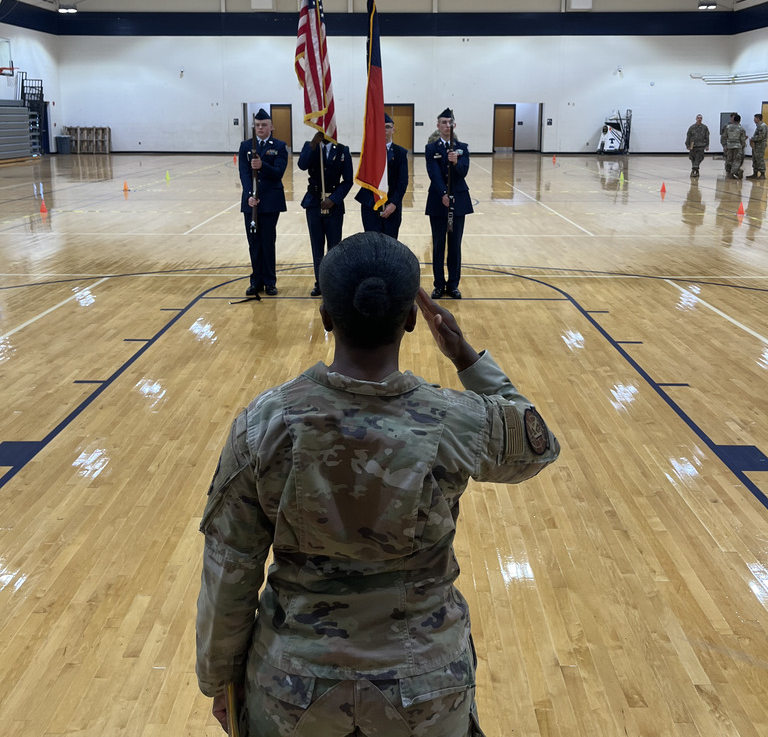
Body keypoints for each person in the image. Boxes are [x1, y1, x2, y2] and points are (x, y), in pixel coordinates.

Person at [195, 231, 560, 737]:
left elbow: (229, 568)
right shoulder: (454, 419)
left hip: (294, 687)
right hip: (426, 687)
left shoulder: (265, 423)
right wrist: (467, 359)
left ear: (326, 318)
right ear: (412, 320)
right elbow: (538, 445)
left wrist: (219, 682)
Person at [238, 109, 287, 297]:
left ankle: (270, 282)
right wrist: (249, 195)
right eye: (257, 125)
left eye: (264, 124)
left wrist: (262, 166)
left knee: (268, 242)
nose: (260, 128)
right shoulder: (245, 146)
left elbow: (278, 172)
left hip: (270, 201)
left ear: (271, 127)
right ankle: (256, 281)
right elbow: (243, 173)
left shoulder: (280, 146)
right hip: (250, 202)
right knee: (254, 243)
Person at [298, 129, 353, 296]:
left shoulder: (343, 150)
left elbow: (348, 181)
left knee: (334, 246)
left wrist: (334, 199)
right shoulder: (312, 148)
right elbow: (302, 165)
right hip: (314, 202)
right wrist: (313, 144)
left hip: (333, 204)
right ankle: (320, 282)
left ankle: (333, 283)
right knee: (317, 245)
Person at [425, 108, 472, 299]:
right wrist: (443, 193)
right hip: (438, 201)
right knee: (438, 245)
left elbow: (463, 172)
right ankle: (438, 284)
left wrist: (455, 163)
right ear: (438, 125)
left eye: (449, 122)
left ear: (454, 125)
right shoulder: (431, 148)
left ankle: (453, 284)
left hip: (459, 201)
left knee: (455, 245)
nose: (447, 125)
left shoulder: (462, 147)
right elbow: (433, 172)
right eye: (443, 122)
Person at [355, 113, 409, 238]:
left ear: (393, 129)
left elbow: (403, 182)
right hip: (371, 203)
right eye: (381, 127)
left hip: (392, 206)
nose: (384, 130)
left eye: (388, 127)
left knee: (391, 243)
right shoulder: (368, 151)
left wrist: (394, 203)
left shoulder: (400, 152)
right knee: (371, 242)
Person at [721, 113, 747, 179]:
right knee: (737, 161)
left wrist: (725, 145)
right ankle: (736, 171)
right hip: (738, 146)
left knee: (729, 160)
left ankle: (731, 174)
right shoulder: (741, 129)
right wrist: (743, 146)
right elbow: (742, 139)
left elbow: (724, 136)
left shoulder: (728, 127)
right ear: (739, 121)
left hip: (729, 146)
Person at [746, 113, 767, 179]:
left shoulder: (762, 126)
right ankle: (755, 173)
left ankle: (762, 174)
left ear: (758, 119)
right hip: (756, 145)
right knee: (755, 159)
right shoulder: (759, 126)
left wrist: (752, 139)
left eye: (755, 118)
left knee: (759, 159)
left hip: (760, 145)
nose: (754, 120)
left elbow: (761, 136)